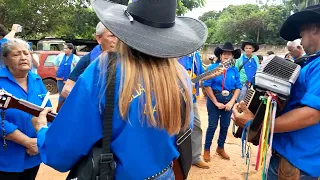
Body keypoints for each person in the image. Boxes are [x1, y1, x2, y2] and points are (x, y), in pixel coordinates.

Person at [31, 0, 207, 179]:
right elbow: (185, 127)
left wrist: (42, 130)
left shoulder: (103, 71)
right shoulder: (180, 75)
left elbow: (60, 151)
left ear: (123, 29)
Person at [233, 4, 320, 179]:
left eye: (302, 35)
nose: (301, 42)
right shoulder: (311, 62)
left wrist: (256, 124)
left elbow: (312, 114)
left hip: (297, 162)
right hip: (290, 157)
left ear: (314, 28)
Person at [0, 38, 51, 180]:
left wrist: (40, 138)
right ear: (6, 60)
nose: (23, 57)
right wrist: (26, 141)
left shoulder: (36, 80)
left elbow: (47, 111)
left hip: (33, 155)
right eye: (16, 55)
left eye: (26, 53)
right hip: (5, 158)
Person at [178, 51, 224, 169]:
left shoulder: (195, 56)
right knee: (175, 127)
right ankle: (174, 158)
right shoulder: (175, 54)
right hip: (175, 97)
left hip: (191, 98)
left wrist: (214, 74)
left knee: (196, 125)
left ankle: (196, 157)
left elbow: (201, 76)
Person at [203, 42, 241, 161]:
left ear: (232, 57)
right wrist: (215, 102)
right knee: (212, 125)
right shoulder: (212, 68)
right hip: (214, 100)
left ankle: (220, 148)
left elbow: (238, 87)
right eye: (224, 53)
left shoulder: (234, 70)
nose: (226, 56)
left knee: (225, 126)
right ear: (220, 55)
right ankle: (207, 149)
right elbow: (206, 85)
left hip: (228, 101)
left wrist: (231, 102)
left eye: (229, 54)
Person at [60, 22, 118, 99]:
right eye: (111, 36)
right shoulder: (88, 60)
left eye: (119, 36)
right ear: (99, 38)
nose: (116, 40)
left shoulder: (127, 59)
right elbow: (66, 90)